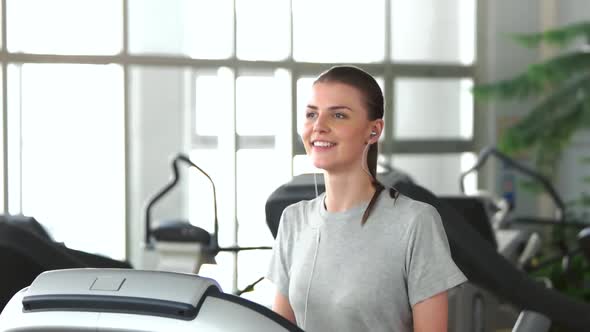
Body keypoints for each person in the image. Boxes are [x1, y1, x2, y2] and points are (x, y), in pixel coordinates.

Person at [266, 65, 467, 332]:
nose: (319, 126)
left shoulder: (415, 222)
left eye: (338, 115)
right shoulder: (293, 220)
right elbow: (277, 327)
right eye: (311, 114)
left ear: (373, 131)